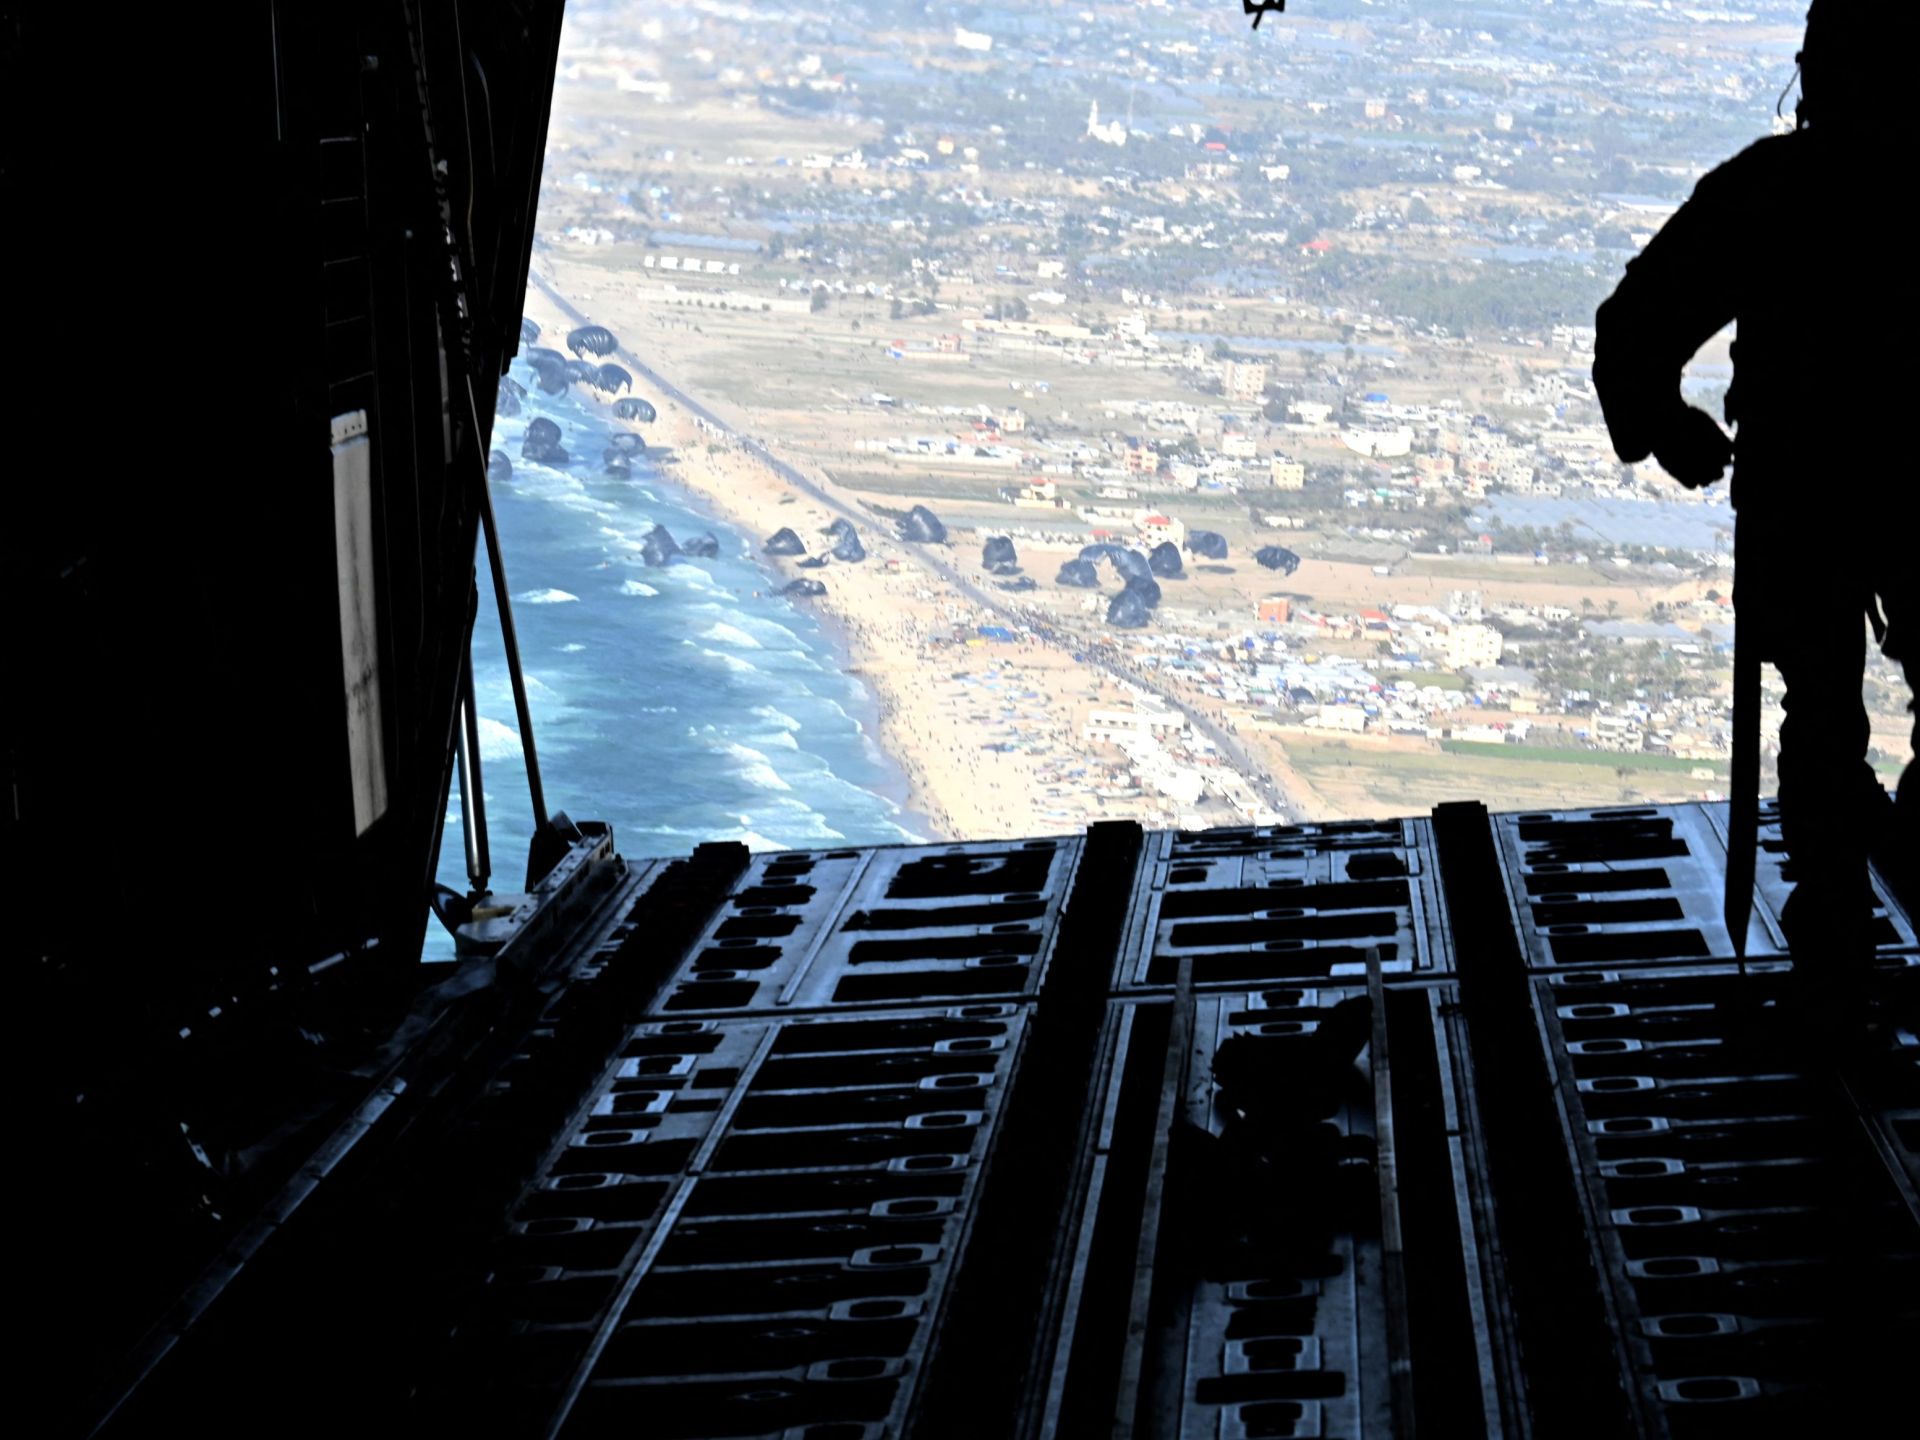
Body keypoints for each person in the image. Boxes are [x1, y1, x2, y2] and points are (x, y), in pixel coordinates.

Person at [1592, 0, 1915, 1016]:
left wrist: (1669, 428)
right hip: (1909, 494)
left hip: (1803, 496)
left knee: (1818, 719)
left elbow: (1633, 328)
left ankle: (1837, 940)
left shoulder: (1772, 191)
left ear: (1813, 75)